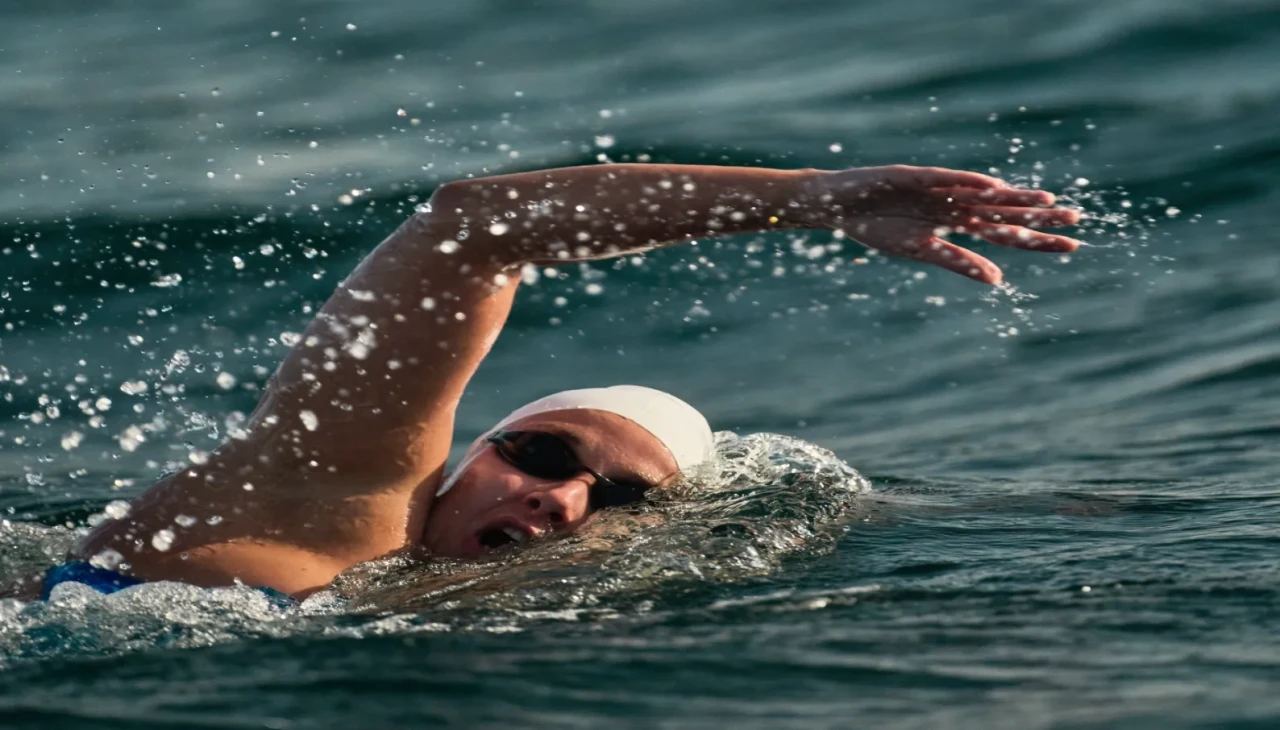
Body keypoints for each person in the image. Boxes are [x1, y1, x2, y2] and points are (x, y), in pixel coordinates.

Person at [37, 162, 1081, 600]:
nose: (560, 499)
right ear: (472, 454)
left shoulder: (512, 628)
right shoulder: (336, 497)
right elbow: (471, 227)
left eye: (617, 499)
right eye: (543, 454)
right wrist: (811, 198)